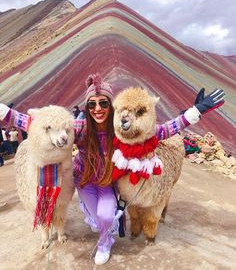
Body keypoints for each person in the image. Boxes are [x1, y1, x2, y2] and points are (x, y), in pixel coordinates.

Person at [0, 74, 225, 265]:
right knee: (100, 221)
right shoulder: (80, 127)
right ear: (88, 107)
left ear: (111, 105)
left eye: (103, 103)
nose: (98, 109)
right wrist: (4, 112)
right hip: (85, 180)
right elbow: (36, 122)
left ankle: (104, 243)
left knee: (106, 216)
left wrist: (195, 112)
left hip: (108, 182)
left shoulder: (119, 128)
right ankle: (105, 232)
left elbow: (163, 129)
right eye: (92, 104)